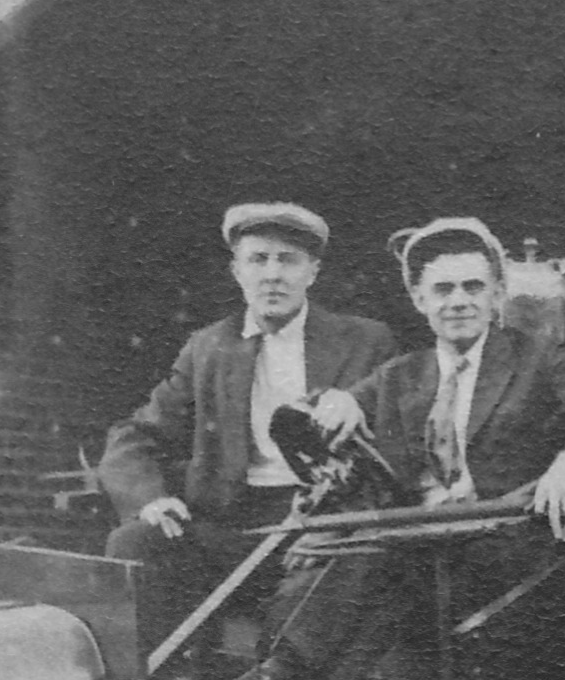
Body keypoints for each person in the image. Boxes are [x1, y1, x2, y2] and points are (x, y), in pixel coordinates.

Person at [167, 221, 565, 680]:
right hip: (420, 553)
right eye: (442, 290)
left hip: (506, 551)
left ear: (498, 294)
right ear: (420, 301)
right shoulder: (404, 375)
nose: (459, 301)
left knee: (378, 556)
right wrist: (332, 402)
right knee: (375, 591)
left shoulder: (536, 360)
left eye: (474, 286)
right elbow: (325, 407)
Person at [98, 202, 398, 650]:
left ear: (313, 272)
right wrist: (151, 499)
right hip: (230, 527)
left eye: (288, 260)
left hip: (325, 526)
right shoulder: (207, 348)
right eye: (258, 260)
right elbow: (136, 434)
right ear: (237, 271)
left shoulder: (367, 341)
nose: (272, 275)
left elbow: (395, 446)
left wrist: (335, 517)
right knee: (137, 543)